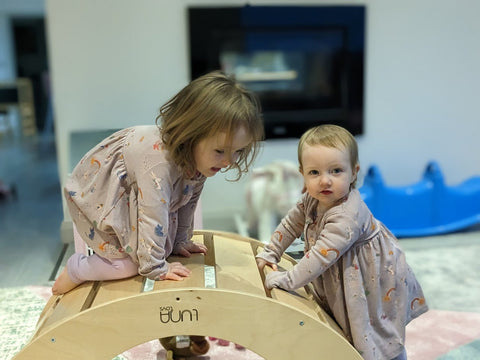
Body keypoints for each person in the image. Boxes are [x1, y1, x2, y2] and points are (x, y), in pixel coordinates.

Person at [52, 70, 264, 295]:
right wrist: (156, 267)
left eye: (238, 152)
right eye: (220, 151)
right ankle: (77, 269)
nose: (229, 161)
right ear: (190, 136)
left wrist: (181, 240)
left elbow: (188, 202)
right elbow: (153, 214)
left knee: (166, 245)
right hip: (98, 194)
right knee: (129, 265)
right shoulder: (158, 163)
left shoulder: (202, 159)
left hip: (137, 196)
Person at [256, 124, 427, 360]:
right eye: (314, 173)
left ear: (354, 172)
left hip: (372, 277)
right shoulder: (310, 199)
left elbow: (319, 258)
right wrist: (271, 252)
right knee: (343, 324)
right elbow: (290, 224)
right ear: (302, 174)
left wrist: (287, 280)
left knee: (374, 332)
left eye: (336, 171)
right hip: (343, 270)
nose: (325, 181)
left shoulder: (347, 214)